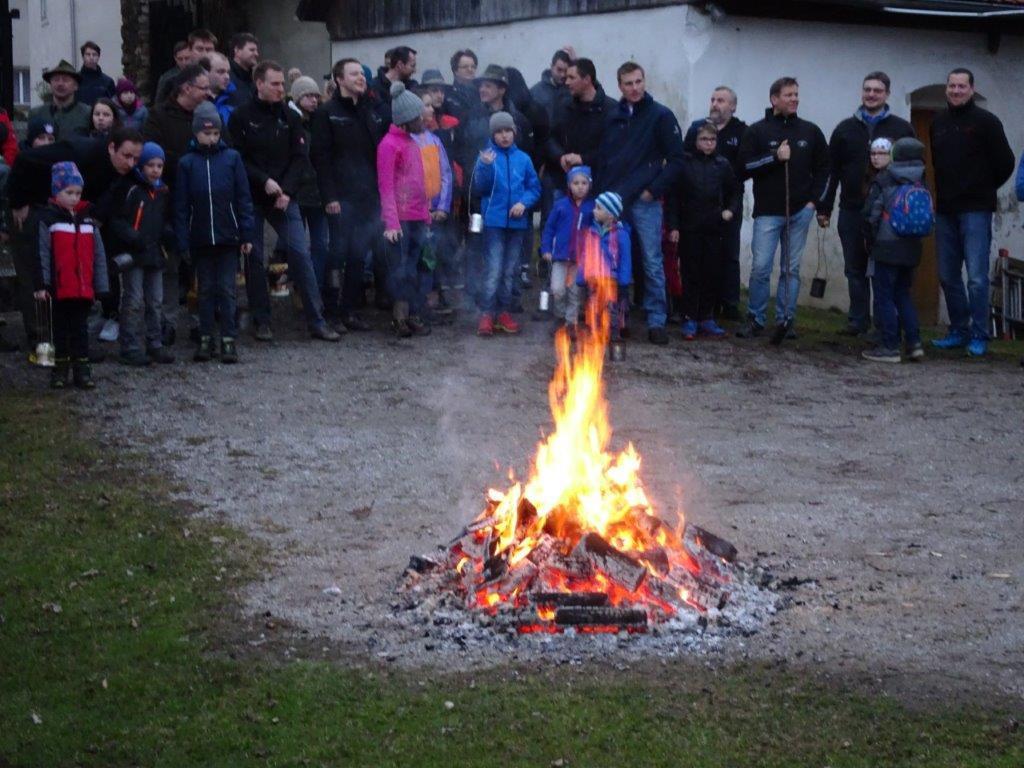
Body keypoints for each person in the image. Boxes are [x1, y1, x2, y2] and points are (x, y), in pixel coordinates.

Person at [229, 61, 339, 342]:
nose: (281, 89)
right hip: (252, 197)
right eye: (275, 84)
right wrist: (263, 180)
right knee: (254, 257)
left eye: (282, 83)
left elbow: (300, 158)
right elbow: (238, 158)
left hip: (285, 197)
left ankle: (316, 320)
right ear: (259, 84)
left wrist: (287, 191)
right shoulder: (241, 116)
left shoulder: (290, 117)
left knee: (300, 253)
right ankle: (262, 320)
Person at [8, 126, 142, 357]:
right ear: (112, 148)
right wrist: (18, 201)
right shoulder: (79, 152)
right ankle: (42, 342)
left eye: (136, 159)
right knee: (37, 273)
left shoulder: (123, 170)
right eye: (126, 156)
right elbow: (25, 159)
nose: (131, 164)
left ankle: (71, 342)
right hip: (32, 206)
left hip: (68, 216)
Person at [596, 61, 685, 345]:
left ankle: (656, 319)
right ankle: (619, 317)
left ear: (644, 81)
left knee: (652, 261)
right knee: (615, 260)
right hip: (616, 202)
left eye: (638, 82)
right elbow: (604, 159)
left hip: (646, 201)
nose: (634, 88)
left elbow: (677, 160)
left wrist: (653, 189)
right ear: (619, 86)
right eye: (628, 83)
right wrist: (603, 197)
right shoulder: (613, 117)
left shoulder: (661, 116)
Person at [820, 72, 915, 337]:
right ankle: (857, 321)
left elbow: (914, 169)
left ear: (887, 94)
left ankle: (884, 326)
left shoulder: (901, 129)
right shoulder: (845, 129)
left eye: (877, 90)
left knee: (883, 271)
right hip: (852, 209)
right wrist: (825, 207)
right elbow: (831, 171)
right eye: (867, 89)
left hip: (888, 214)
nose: (871, 94)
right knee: (855, 269)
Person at [930, 67, 1015, 357]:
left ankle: (979, 334)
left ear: (971, 89)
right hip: (945, 210)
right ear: (946, 89)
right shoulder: (938, 122)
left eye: (961, 86)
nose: (956, 91)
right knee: (947, 275)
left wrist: (982, 189)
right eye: (952, 86)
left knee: (977, 278)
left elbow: (1005, 163)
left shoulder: (986, 122)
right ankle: (958, 330)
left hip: (976, 210)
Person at [737, 76, 829, 339]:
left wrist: (814, 203)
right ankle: (755, 318)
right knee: (761, 267)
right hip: (768, 212)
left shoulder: (810, 131)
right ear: (774, 99)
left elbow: (824, 169)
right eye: (789, 95)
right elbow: (743, 168)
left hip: (800, 211)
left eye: (796, 94)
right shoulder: (757, 131)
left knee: (791, 269)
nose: (794, 99)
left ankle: (786, 320)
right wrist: (774, 157)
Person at [174, 102, 255, 363]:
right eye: (206, 133)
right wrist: (183, 241)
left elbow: (243, 198)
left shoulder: (232, 159)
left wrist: (247, 233)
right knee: (205, 290)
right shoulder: (187, 163)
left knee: (228, 289)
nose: (211, 138)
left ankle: (229, 338)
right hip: (200, 238)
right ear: (196, 132)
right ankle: (206, 337)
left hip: (228, 237)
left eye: (215, 133)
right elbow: (181, 206)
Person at [310, 57, 386, 331]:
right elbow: (320, 158)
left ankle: (350, 311)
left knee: (358, 255)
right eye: (353, 74)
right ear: (339, 79)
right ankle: (331, 311)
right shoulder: (326, 113)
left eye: (361, 74)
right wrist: (329, 196)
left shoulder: (371, 111)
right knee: (337, 254)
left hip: (369, 197)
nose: (360, 78)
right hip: (341, 198)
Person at [144, 63, 211, 345]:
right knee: (170, 267)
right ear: (186, 88)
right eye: (203, 88)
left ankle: (200, 321)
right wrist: (189, 161)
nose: (209, 93)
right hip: (169, 202)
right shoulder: (158, 116)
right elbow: (154, 155)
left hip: (202, 200)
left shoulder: (207, 115)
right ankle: (167, 322)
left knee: (200, 267)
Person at [33, 161, 109, 388]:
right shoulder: (48, 219)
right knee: (59, 331)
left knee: (80, 330)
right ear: (57, 192)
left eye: (78, 193)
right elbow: (41, 254)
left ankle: (82, 370)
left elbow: (99, 255)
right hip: (59, 288)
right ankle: (60, 370)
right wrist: (42, 285)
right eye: (69, 193)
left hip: (83, 288)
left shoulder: (88, 220)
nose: (74, 198)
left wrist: (101, 285)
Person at [667, 122, 742, 340]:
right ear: (695, 141)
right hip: (689, 228)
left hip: (714, 227)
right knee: (691, 273)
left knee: (712, 272)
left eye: (712, 139)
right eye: (704, 139)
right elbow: (673, 197)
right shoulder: (684, 164)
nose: (709, 144)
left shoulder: (722, 165)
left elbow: (734, 191)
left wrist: (729, 210)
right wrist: (674, 226)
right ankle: (689, 316)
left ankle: (706, 316)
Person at [105, 142, 175, 366]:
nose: (155, 170)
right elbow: (116, 220)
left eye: (159, 166)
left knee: (155, 301)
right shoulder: (130, 188)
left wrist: (168, 234)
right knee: (133, 300)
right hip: (134, 253)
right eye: (150, 165)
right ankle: (130, 346)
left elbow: (166, 218)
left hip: (155, 252)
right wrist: (134, 237)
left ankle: (155, 343)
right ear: (141, 166)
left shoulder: (162, 191)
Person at [471, 111, 541, 336]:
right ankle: (486, 313)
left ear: (514, 132)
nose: (504, 136)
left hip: (517, 224)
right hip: (494, 223)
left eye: (507, 131)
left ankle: (503, 312)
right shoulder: (486, 157)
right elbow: (480, 188)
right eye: (499, 132)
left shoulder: (524, 159)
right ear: (492, 135)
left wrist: (523, 203)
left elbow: (534, 188)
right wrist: (485, 166)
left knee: (510, 270)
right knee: (493, 269)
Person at [682, 86, 748, 319]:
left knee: (728, 254)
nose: (715, 104)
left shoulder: (741, 132)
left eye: (721, 100)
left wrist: (730, 204)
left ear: (733, 106)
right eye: (713, 99)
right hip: (696, 207)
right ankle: (694, 308)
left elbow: (744, 167)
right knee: (695, 259)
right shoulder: (697, 128)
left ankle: (728, 304)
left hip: (727, 203)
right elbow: (684, 158)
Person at [861, 138, 929, 363]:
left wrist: (870, 240)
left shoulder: (885, 178)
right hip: (912, 246)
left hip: (887, 245)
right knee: (903, 294)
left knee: (884, 296)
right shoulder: (921, 178)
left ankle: (889, 346)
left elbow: (871, 213)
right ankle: (914, 344)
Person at [377, 83, 434, 337]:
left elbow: (419, 182)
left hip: (417, 217)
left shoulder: (412, 142)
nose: (425, 119)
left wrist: (426, 214)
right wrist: (391, 223)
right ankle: (399, 318)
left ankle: (412, 314)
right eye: (420, 116)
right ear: (407, 118)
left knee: (415, 268)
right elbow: (386, 186)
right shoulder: (389, 145)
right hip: (400, 220)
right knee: (401, 270)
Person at [288, 76, 333, 315]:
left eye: (316, 95)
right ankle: (301, 288)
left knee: (320, 244)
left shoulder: (319, 121)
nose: (313, 100)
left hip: (317, 191)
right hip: (297, 191)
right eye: (308, 96)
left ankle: (316, 290)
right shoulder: (290, 121)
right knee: (297, 246)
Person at [411, 102, 455, 315]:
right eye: (425, 104)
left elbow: (445, 174)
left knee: (432, 255)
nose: (430, 109)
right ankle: (416, 301)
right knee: (416, 256)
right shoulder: (408, 141)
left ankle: (431, 297)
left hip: (435, 212)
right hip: (415, 212)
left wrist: (443, 206)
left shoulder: (435, 140)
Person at [541, 165, 594, 336]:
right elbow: (549, 228)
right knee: (557, 289)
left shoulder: (592, 207)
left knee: (575, 292)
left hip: (580, 259)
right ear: (569, 185)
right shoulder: (560, 205)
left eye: (584, 183)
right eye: (576, 183)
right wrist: (546, 248)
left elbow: (595, 231)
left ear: (590, 185)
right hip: (560, 257)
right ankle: (559, 316)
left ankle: (571, 323)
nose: (580, 187)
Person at [576, 191, 632, 341]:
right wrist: (581, 275)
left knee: (611, 307)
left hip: (611, 279)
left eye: (599, 208)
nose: (594, 210)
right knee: (592, 306)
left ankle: (613, 333)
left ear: (610, 215)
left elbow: (625, 259)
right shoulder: (591, 232)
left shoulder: (621, 234)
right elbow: (585, 255)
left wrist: (624, 281)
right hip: (593, 278)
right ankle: (593, 332)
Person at [30, 60, 92, 140]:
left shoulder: (87, 113)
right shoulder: (36, 113)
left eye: (65, 80)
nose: (60, 84)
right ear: (50, 85)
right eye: (56, 80)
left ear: (76, 86)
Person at [154, 29, 218, 104]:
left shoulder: (221, 75)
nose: (204, 53)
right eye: (200, 49)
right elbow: (160, 107)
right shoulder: (171, 79)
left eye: (209, 50)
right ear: (190, 51)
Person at [369, 45, 418, 125]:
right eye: (412, 66)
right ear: (400, 65)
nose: (414, 70)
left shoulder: (411, 86)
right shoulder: (374, 87)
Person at [530, 48, 572, 122]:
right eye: (559, 70)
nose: (563, 75)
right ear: (552, 67)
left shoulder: (573, 90)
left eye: (566, 71)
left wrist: (576, 62)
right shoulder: (536, 92)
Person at [200, 52, 237, 128]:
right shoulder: (194, 101)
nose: (227, 77)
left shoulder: (236, 98)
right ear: (205, 72)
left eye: (228, 72)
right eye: (221, 72)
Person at [77, 41, 115, 106]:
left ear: (98, 57)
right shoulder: (75, 79)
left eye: (94, 55)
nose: (91, 57)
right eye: (88, 54)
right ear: (83, 57)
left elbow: (112, 105)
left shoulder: (108, 81)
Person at [228, 32, 261, 108]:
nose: (256, 54)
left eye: (256, 50)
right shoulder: (226, 76)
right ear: (237, 50)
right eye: (252, 50)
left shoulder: (254, 79)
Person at [449, 49, 479, 118]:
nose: (470, 70)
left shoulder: (481, 93)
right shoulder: (450, 96)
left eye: (473, 67)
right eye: (465, 67)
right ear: (455, 71)